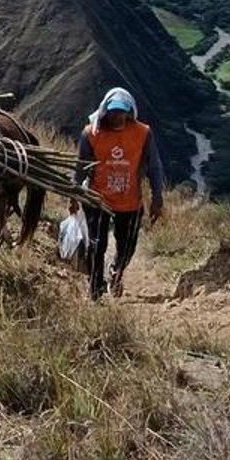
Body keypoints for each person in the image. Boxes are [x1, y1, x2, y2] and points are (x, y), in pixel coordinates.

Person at [76, 87, 164, 300]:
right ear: (106, 111)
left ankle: (116, 269)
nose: (118, 116)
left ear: (129, 111)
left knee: (127, 246)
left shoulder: (143, 133)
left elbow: (154, 166)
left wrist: (157, 197)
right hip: (98, 199)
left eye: (122, 112)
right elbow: (80, 167)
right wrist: (74, 193)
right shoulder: (91, 134)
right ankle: (95, 290)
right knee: (97, 245)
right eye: (114, 112)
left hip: (130, 201)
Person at [56, 195, 90, 271]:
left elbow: (84, 238)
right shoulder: (67, 223)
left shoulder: (81, 223)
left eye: (72, 203)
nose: (70, 206)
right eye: (70, 202)